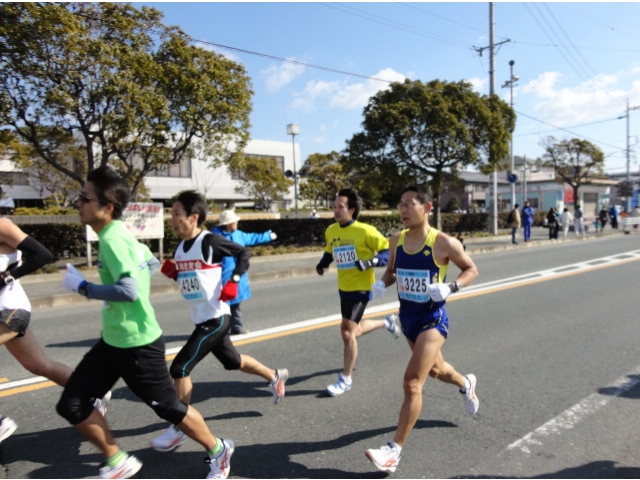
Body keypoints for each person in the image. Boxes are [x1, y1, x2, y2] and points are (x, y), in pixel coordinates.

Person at [58, 166, 233, 480]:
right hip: (114, 339)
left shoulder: (112, 239)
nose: (78, 203)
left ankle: (219, 449)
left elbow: (129, 289)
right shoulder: (120, 233)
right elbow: (149, 261)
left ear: (107, 207)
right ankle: (117, 460)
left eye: (85, 198)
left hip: (138, 343)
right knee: (72, 403)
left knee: (170, 408)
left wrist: (82, 287)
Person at [151, 191, 288, 452]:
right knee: (233, 362)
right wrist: (174, 273)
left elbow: (242, 254)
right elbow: (191, 280)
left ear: (193, 217)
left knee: (179, 369)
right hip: (201, 318)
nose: (172, 219)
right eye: (171, 214)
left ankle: (180, 425)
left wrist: (233, 282)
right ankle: (274, 376)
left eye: (176, 214)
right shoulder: (180, 248)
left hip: (216, 319)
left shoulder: (210, 241)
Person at [364, 184, 479, 474]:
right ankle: (466, 384)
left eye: (409, 203)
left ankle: (394, 451)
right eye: (400, 204)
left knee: (413, 382)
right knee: (438, 371)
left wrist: (451, 286)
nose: (403, 209)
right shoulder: (396, 239)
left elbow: (471, 269)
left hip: (432, 320)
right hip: (409, 320)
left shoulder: (443, 242)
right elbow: (392, 271)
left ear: (426, 207)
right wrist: (381, 283)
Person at [0, 217, 113, 446]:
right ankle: (93, 391)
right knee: (38, 365)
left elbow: (42, 255)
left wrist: (7, 277)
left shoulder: (3, 226)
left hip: (11, 309)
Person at [315, 187, 399, 396]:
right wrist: (322, 264)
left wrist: (369, 261)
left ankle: (346, 379)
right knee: (354, 331)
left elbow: (388, 253)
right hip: (344, 287)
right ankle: (386, 322)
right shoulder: (331, 230)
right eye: (334, 206)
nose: (336, 210)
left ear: (351, 210)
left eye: (340, 207)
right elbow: (329, 251)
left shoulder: (365, 231)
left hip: (362, 288)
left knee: (346, 332)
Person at [211, 210, 276, 335]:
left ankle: (236, 328)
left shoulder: (238, 234)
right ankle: (220, 329)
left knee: (235, 305)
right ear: (229, 224)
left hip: (237, 276)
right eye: (235, 221)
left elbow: (252, 238)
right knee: (220, 307)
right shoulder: (215, 237)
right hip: (221, 277)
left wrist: (268, 236)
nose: (237, 223)